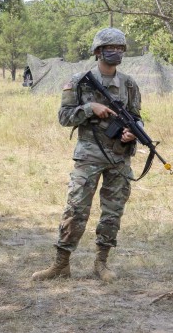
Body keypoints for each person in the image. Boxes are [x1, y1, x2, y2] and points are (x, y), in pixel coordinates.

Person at [31, 27, 140, 283]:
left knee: (112, 213)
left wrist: (133, 133)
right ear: (98, 52)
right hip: (89, 156)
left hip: (119, 157)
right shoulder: (79, 81)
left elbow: (136, 117)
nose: (116, 53)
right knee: (76, 209)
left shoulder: (129, 84)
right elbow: (64, 117)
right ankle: (61, 265)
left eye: (120, 48)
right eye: (110, 48)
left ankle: (101, 263)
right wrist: (90, 108)